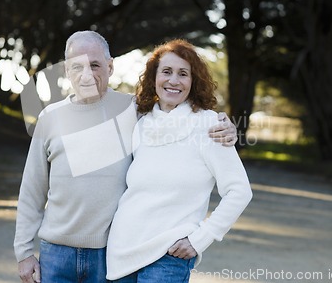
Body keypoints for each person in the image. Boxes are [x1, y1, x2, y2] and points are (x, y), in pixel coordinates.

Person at [14, 31, 238, 283]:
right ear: (66, 70)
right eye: (76, 66)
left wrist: (225, 126)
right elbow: (32, 191)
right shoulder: (50, 118)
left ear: (110, 67)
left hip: (108, 254)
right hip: (55, 253)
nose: (86, 74)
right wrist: (23, 253)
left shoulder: (134, 111)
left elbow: (177, 117)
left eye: (95, 65)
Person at [106, 39, 253, 282]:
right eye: (166, 72)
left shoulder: (208, 125)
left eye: (183, 74)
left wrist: (201, 238)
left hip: (168, 256)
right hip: (121, 252)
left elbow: (240, 191)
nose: (174, 80)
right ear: (154, 78)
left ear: (193, 82)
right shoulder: (140, 123)